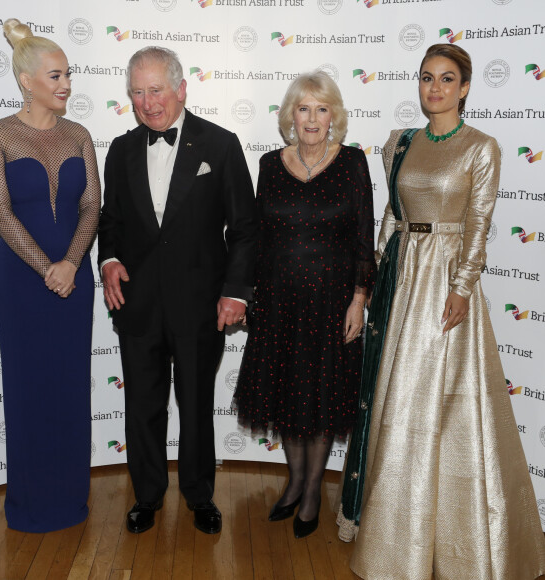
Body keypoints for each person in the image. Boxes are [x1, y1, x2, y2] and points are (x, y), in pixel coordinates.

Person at [338, 43, 545, 579]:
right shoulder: (399, 143)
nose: (435, 88)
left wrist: (462, 285)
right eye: (427, 77)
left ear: (466, 87)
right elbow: (392, 216)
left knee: (445, 408)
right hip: (401, 279)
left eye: (447, 79)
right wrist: (374, 278)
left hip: (446, 284)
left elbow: (479, 223)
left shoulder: (482, 147)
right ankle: (392, 532)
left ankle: (459, 538)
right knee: (396, 398)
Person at [98, 47, 257, 535]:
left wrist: (235, 291)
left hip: (200, 307)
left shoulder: (221, 144)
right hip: (137, 305)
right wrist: (108, 261)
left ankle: (199, 495)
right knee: (142, 406)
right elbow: (112, 221)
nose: (148, 103)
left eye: (157, 90)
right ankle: (146, 495)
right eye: (138, 92)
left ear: (182, 89)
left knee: (194, 406)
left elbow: (246, 228)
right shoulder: (121, 150)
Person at [233, 71, 375, 539]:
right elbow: (256, 237)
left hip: (332, 301)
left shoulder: (353, 162)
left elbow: (362, 237)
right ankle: (294, 482)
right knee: (288, 394)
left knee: (320, 397)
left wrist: (359, 298)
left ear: (333, 115)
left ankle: (312, 491)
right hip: (279, 300)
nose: (312, 118)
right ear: (289, 115)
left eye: (321, 108)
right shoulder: (270, 165)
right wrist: (250, 293)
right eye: (303, 108)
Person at [0, 18, 100, 533]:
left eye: (67, 74)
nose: (65, 84)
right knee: (27, 388)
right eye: (55, 76)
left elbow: (92, 205)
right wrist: (46, 267)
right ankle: (29, 505)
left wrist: (70, 263)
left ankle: (71, 499)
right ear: (26, 81)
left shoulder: (80, 134)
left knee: (71, 388)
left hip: (75, 281)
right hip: (22, 284)